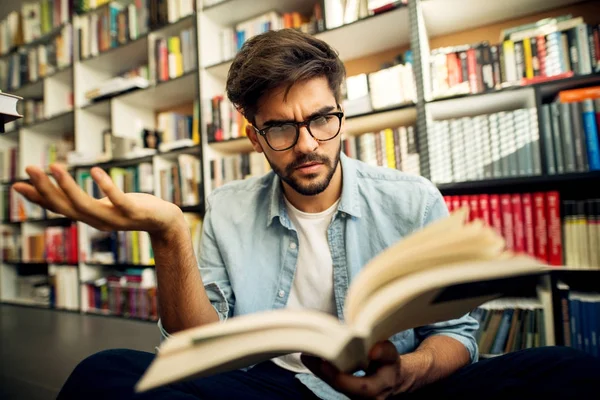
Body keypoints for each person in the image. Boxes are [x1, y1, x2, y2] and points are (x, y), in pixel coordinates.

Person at [14, 29, 600, 400]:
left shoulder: (413, 197)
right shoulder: (226, 207)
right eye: (281, 128)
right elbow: (196, 349)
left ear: (341, 113)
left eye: (322, 119)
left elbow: (456, 334)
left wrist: (408, 373)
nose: (308, 144)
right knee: (107, 374)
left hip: (402, 385)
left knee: (567, 370)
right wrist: (169, 234)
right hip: (276, 386)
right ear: (254, 136)